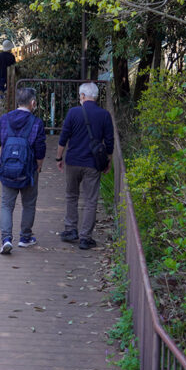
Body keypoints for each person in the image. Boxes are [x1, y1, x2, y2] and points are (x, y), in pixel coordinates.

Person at [0, 87, 46, 254]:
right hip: (28, 170)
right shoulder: (36, 122)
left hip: (8, 170)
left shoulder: (5, 119)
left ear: (18, 102)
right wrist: (39, 165)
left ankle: (6, 239)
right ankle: (25, 238)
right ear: (33, 103)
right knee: (29, 204)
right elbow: (40, 148)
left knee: (6, 205)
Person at [55, 82, 114, 250]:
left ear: (82, 96)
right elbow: (109, 142)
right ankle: (85, 237)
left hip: (73, 161)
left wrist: (58, 158)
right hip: (93, 164)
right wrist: (107, 160)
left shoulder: (73, 112)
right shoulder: (104, 115)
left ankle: (70, 229)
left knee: (71, 195)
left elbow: (63, 137)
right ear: (95, 97)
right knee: (90, 200)